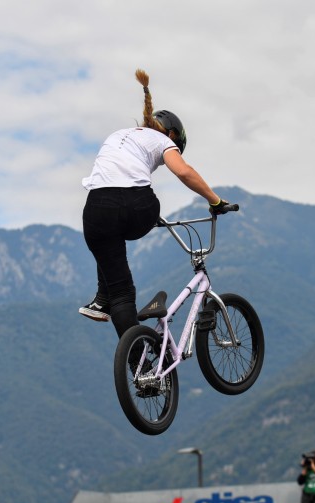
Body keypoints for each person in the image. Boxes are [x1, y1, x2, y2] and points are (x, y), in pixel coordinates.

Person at [79, 68, 231, 339]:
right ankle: (105, 295)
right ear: (173, 135)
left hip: (94, 210)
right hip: (136, 207)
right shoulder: (162, 140)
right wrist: (215, 201)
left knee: (120, 291)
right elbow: (184, 172)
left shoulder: (118, 135)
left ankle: (138, 363)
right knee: (135, 218)